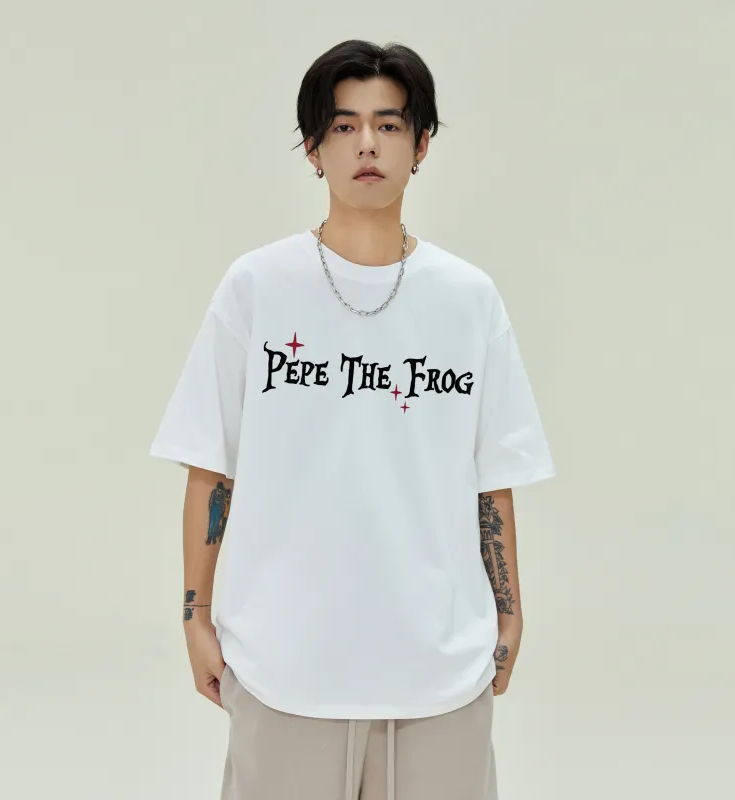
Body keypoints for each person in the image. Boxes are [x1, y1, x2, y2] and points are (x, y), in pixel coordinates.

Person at [149, 38, 556, 800]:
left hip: (439, 672)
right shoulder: (257, 287)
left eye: (389, 124)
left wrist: (510, 614)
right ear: (314, 147)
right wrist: (194, 616)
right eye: (344, 126)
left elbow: (491, 475)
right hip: (283, 671)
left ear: (421, 144)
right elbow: (211, 464)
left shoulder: (467, 299)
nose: (367, 144)